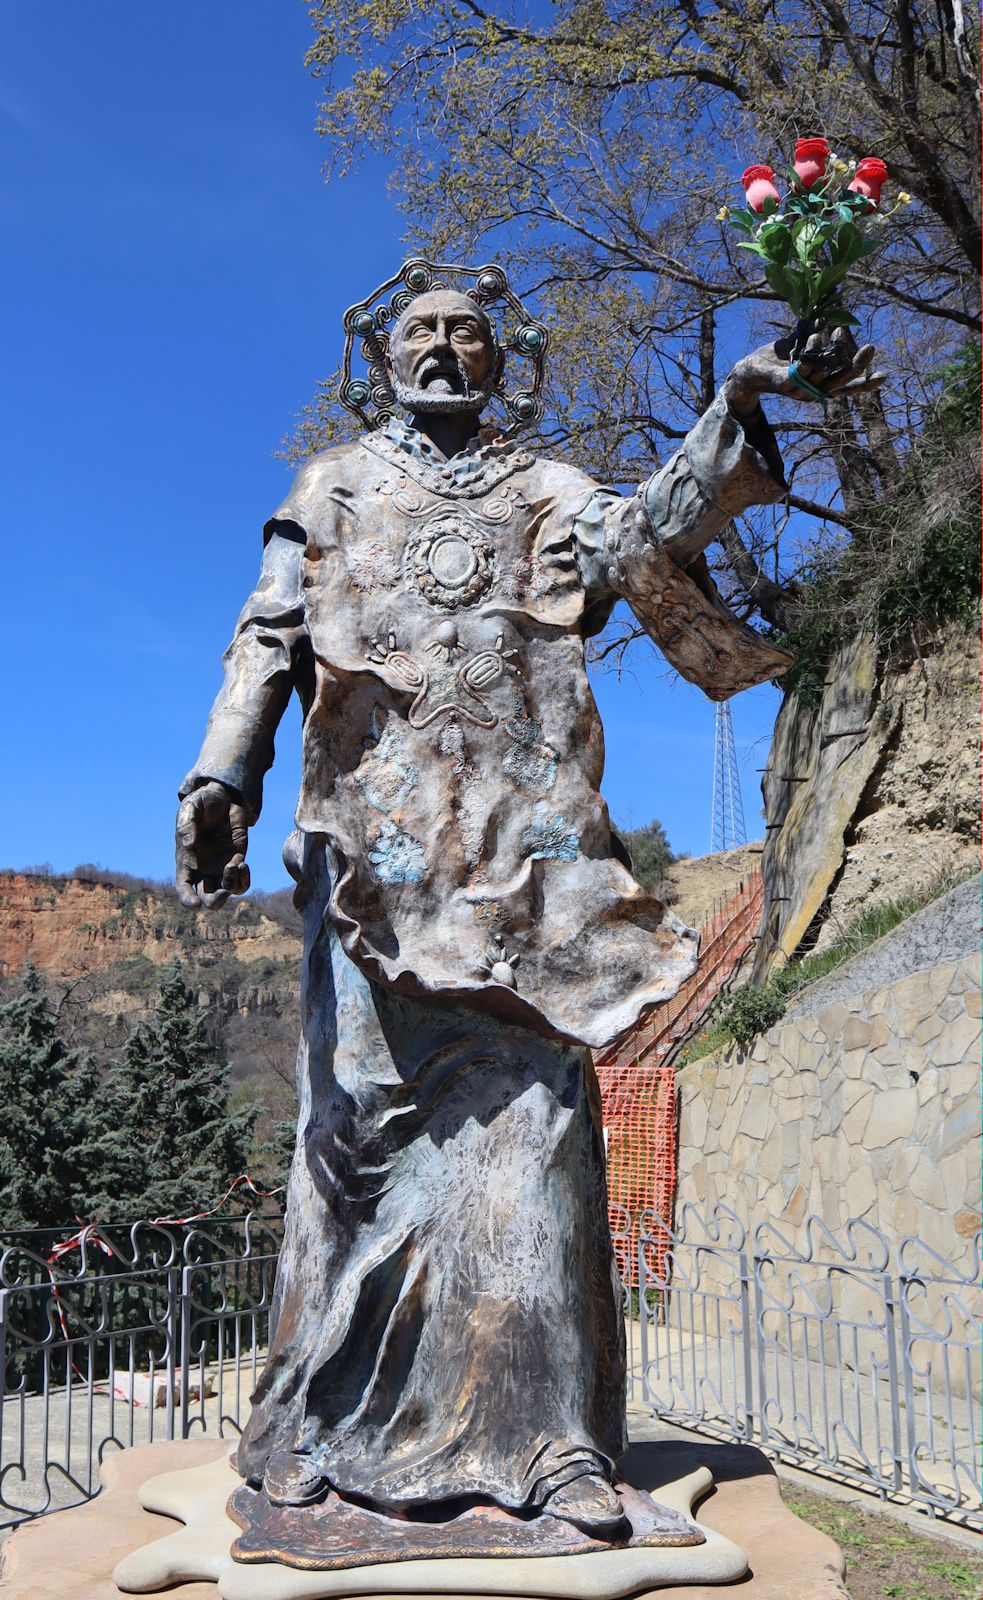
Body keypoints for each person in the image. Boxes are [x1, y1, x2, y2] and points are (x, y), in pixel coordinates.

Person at [175, 268, 882, 1547]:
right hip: (374, 854)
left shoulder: (546, 489)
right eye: (419, 332)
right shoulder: (331, 485)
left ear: (502, 359)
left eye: (465, 333)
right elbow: (266, 635)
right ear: (381, 356)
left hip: (528, 855)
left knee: (539, 1134)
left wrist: (734, 398)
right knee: (359, 1144)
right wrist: (227, 765)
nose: (442, 349)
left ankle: (549, 1448)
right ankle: (323, 1436)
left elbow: (647, 530)